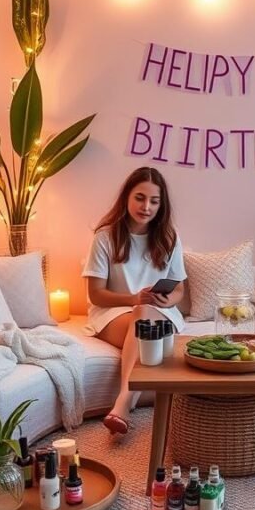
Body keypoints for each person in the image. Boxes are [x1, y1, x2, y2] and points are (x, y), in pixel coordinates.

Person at [82, 167, 186, 435]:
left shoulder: (168, 237)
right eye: (140, 198)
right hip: (113, 313)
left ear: (161, 205)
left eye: (154, 201)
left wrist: (165, 300)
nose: (146, 207)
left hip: (159, 314)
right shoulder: (105, 236)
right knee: (142, 312)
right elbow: (96, 293)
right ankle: (127, 400)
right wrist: (133, 298)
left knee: (146, 312)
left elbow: (179, 291)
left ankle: (123, 401)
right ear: (127, 196)